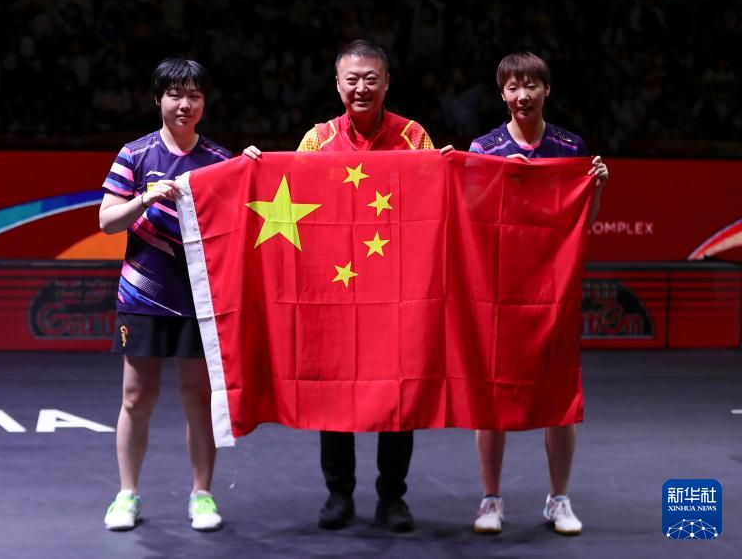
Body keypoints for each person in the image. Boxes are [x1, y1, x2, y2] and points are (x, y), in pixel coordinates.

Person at [245, 39, 450, 532]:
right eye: (352, 79)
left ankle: (392, 497)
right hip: (335, 291)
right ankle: (338, 493)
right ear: (337, 85)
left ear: (386, 83)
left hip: (399, 292)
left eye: (370, 79)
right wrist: (256, 167)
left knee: (399, 394)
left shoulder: (414, 136)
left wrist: (448, 170)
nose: (361, 88)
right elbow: (286, 193)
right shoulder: (317, 140)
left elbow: (436, 203)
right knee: (335, 390)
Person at [467, 51, 609, 536]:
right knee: (492, 397)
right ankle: (490, 499)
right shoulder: (484, 149)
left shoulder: (570, 148)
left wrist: (596, 189)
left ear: (547, 90)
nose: (522, 95)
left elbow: (583, 222)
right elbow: (471, 218)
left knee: (558, 397)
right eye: (513, 87)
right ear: (502, 94)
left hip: (553, 290)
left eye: (531, 85)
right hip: (499, 290)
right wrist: (479, 176)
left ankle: (558, 499)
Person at [99, 58, 231, 532]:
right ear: (159, 99)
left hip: (200, 298)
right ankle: (126, 494)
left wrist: (253, 169)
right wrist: (146, 198)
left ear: (204, 102)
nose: (184, 104)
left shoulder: (220, 161)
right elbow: (106, 221)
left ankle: (202, 495)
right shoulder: (134, 155)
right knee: (137, 397)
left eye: (194, 95)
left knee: (198, 396)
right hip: (143, 296)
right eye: (175, 95)